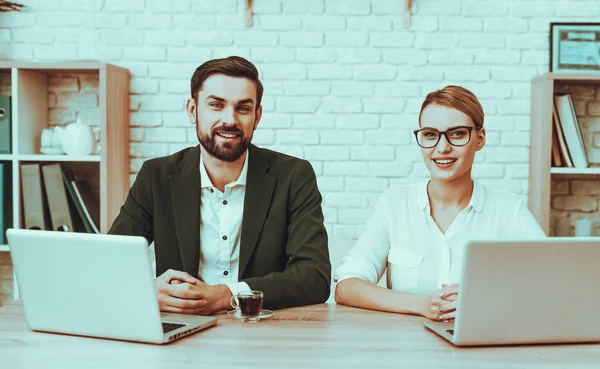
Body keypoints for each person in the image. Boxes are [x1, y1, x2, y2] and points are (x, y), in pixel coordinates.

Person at [109, 56, 331, 315]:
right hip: (181, 329)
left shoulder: (293, 176)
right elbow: (111, 262)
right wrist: (147, 291)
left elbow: (315, 276)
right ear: (193, 110)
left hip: (262, 331)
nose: (230, 120)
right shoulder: (156, 176)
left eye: (243, 108)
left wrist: (226, 295)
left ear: (257, 116)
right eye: (216, 105)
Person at [334, 85, 545, 321]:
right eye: (430, 135)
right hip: (406, 351)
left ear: (480, 138)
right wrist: (423, 305)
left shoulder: (509, 210)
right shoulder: (395, 204)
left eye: (457, 134)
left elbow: (551, 282)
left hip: (481, 349)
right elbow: (347, 286)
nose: (442, 148)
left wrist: (485, 299)